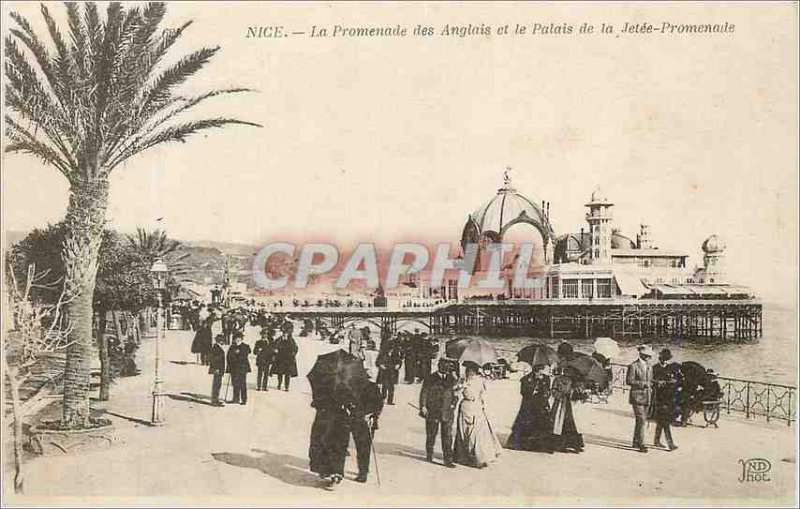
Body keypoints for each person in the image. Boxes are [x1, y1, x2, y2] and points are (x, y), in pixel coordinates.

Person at [453, 361, 502, 468]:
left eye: (472, 370)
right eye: (468, 370)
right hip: (465, 407)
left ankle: (479, 458)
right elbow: (454, 391)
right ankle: (464, 457)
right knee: (464, 432)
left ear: (476, 371)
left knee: (477, 433)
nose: (470, 373)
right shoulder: (462, 380)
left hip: (477, 407)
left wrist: (484, 404)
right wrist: (461, 386)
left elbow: (487, 393)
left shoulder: (481, 380)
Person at [419, 358, 459, 468]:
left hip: (447, 411)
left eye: (449, 366)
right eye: (445, 366)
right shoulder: (430, 378)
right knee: (431, 434)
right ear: (439, 366)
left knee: (447, 436)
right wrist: (423, 406)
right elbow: (424, 392)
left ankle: (448, 460)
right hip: (432, 411)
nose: (447, 368)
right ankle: (429, 454)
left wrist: (453, 404)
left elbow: (455, 394)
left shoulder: (452, 379)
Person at [507, 363, 554, 453]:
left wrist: (543, 387)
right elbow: (523, 392)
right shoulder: (526, 379)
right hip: (529, 405)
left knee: (542, 423)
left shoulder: (546, 379)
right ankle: (524, 444)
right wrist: (533, 389)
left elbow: (547, 392)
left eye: (542, 369)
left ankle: (540, 445)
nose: (540, 371)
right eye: (538, 369)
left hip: (541, 404)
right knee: (526, 422)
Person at [346, 382, 384, 483]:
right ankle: (363, 469)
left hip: (367, 421)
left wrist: (373, 415)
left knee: (364, 447)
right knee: (361, 446)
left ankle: (363, 471)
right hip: (354, 419)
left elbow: (379, 403)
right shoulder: (349, 385)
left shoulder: (371, 386)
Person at [309, 400, 350, 489]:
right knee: (321, 441)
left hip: (339, 413)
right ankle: (325, 470)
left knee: (337, 443)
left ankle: (336, 474)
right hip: (324, 411)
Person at [550, 366, 586, 453]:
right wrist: (560, 394)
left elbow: (578, 393)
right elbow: (553, 390)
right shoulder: (558, 379)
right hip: (560, 404)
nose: (568, 373)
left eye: (570, 371)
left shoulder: (574, 382)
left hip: (570, 405)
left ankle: (573, 444)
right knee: (558, 424)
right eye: (566, 371)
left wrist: (576, 393)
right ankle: (558, 444)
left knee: (571, 424)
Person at [627, 344, 654, 452]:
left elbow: (651, 380)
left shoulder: (649, 366)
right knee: (642, 420)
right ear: (642, 354)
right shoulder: (633, 366)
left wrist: (652, 384)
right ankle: (641, 444)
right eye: (647, 355)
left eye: (649, 356)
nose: (649, 357)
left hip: (647, 396)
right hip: (637, 396)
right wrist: (643, 384)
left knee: (640, 421)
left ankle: (635, 441)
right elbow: (629, 381)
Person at [652, 348, 679, 451]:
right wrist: (658, 382)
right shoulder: (655, 368)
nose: (666, 361)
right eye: (664, 359)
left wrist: (674, 382)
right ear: (661, 359)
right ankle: (670, 443)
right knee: (665, 421)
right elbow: (651, 380)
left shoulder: (670, 368)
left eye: (667, 359)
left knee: (661, 421)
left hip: (669, 397)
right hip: (659, 397)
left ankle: (656, 440)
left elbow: (676, 380)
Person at [226, 331, 251, 405]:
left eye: (238, 338)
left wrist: (238, 354)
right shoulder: (232, 347)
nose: (237, 340)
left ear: (241, 339)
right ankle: (235, 398)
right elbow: (228, 356)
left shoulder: (245, 346)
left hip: (242, 368)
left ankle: (244, 399)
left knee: (242, 384)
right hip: (234, 368)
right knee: (235, 383)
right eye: (236, 338)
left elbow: (244, 356)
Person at [377, 334, 403, 405]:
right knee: (385, 386)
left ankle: (390, 401)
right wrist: (380, 365)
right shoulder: (383, 354)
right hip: (385, 371)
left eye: (391, 350)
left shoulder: (395, 354)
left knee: (391, 387)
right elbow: (377, 362)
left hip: (393, 372)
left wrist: (398, 365)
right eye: (389, 350)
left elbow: (399, 361)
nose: (390, 351)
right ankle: (383, 398)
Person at [208, 335, 226, 406]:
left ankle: (216, 399)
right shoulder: (215, 348)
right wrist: (216, 369)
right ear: (219, 341)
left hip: (219, 369)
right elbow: (212, 359)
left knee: (218, 385)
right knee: (216, 385)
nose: (223, 342)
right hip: (217, 369)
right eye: (222, 340)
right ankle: (214, 401)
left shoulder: (217, 347)